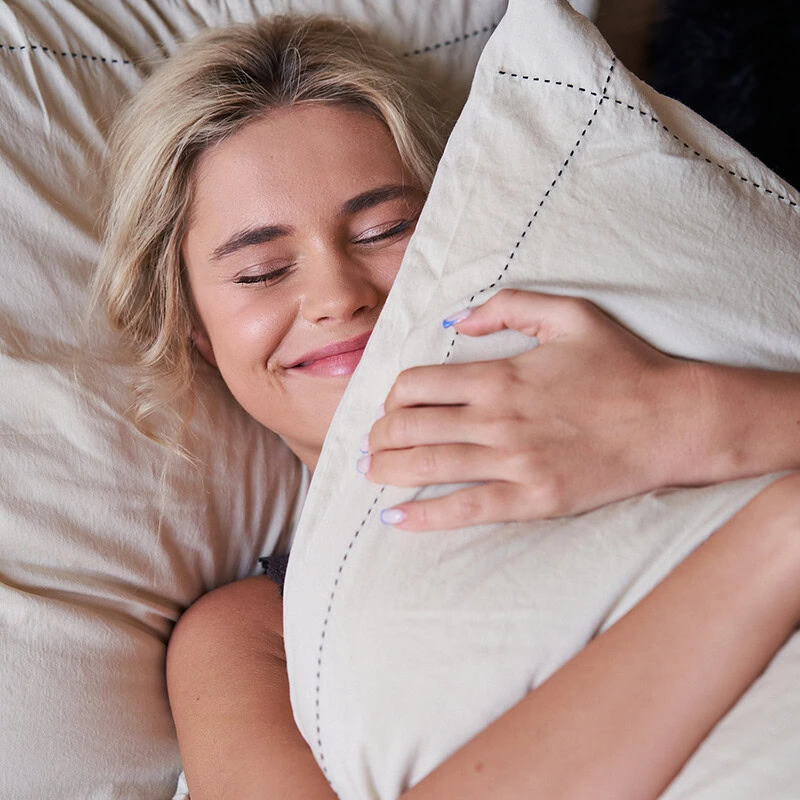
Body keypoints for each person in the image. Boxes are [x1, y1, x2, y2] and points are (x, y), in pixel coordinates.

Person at [94, 14, 800, 799]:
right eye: (261, 270)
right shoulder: (247, 637)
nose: (336, 297)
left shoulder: (652, 351)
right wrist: (776, 539)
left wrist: (693, 418)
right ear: (192, 326)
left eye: (387, 229)